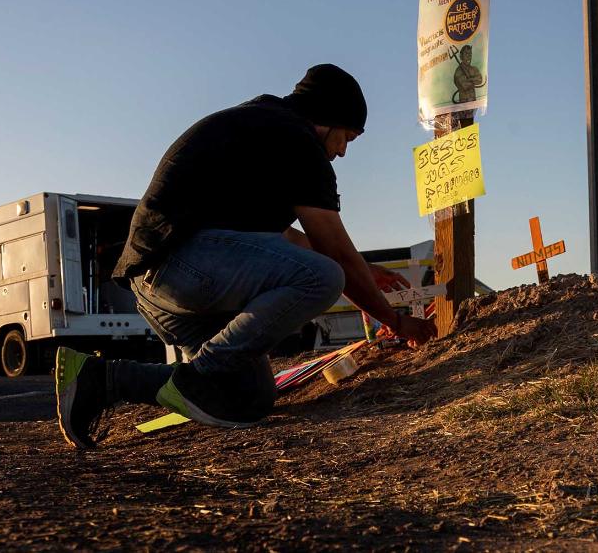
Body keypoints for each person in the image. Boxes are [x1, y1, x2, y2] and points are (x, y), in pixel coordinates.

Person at [55, 63, 437, 448]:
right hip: (181, 267)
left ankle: (100, 378)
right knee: (324, 276)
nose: (341, 151)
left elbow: (285, 239)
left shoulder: (261, 129)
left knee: (247, 400)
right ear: (328, 119)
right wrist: (393, 320)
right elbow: (331, 249)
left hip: (164, 285)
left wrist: (367, 271)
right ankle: (198, 376)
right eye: (347, 138)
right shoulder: (298, 140)